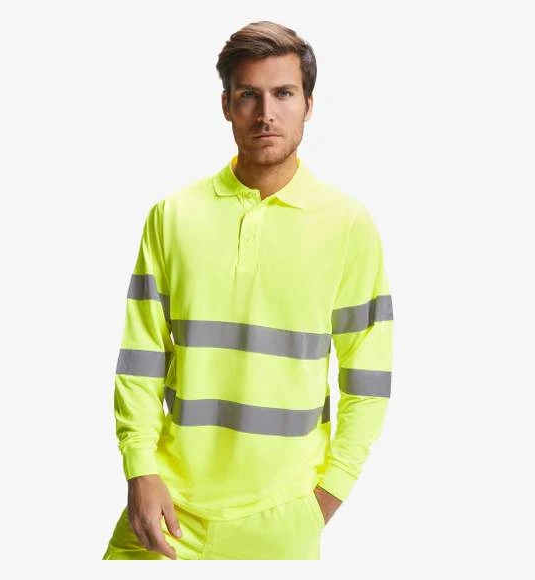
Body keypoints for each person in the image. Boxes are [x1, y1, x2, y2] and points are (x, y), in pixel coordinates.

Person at [102, 20, 394, 560]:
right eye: (248, 96)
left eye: (283, 94)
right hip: (170, 508)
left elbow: (368, 376)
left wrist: (328, 496)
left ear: (308, 104)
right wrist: (139, 469)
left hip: (283, 517)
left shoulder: (348, 225)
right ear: (226, 105)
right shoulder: (172, 216)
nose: (266, 114)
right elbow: (141, 358)